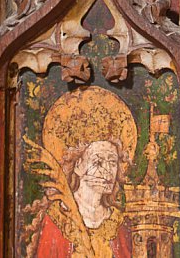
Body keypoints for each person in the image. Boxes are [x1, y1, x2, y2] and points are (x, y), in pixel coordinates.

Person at [24, 88, 137, 257]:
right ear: (78, 166)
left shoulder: (118, 224)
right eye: (98, 161)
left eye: (113, 162)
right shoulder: (58, 219)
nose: (107, 172)